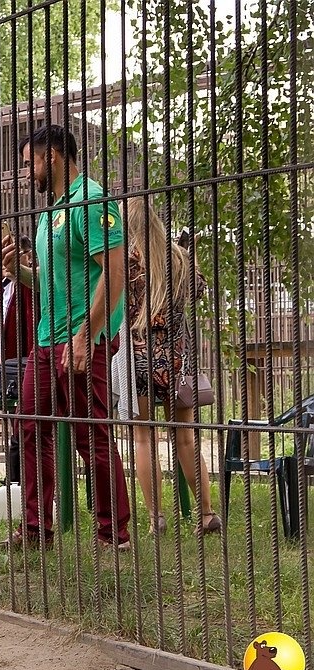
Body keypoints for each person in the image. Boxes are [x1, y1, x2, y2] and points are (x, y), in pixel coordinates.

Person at [0, 124, 132, 551]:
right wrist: (19, 274)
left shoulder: (92, 200)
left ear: (52, 156)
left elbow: (115, 272)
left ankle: (113, 535)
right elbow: (53, 283)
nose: (26, 172)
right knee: (29, 427)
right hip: (46, 343)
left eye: (30, 162)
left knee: (91, 436)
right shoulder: (51, 213)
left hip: (84, 340)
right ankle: (35, 530)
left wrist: (87, 333)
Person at [123, 196, 221, 536]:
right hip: (179, 356)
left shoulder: (123, 260)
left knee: (143, 438)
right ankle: (207, 514)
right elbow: (200, 290)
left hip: (139, 355)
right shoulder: (179, 257)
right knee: (186, 437)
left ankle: (156, 518)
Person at [0, 235, 37, 485]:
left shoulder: (31, 284)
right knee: (16, 421)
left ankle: (23, 481)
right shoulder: (2, 286)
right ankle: (16, 482)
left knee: (26, 423)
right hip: (7, 361)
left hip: (30, 357)